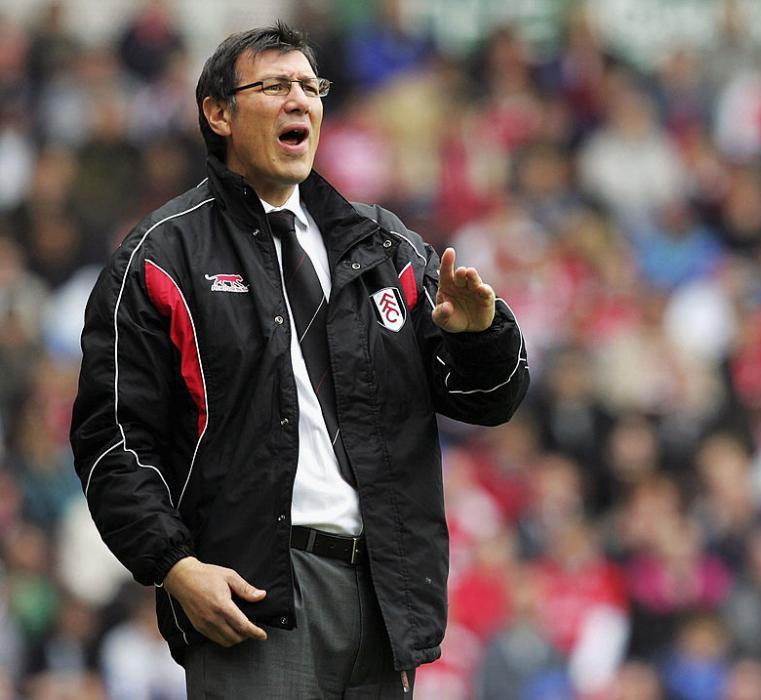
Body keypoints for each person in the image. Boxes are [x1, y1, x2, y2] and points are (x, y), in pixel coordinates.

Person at [69, 21, 529, 698]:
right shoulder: (162, 257)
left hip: (382, 597)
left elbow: (491, 400)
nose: (300, 101)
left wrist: (481, 333)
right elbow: (111, 439)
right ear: (218, 113)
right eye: (276, 85)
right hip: (253, 597)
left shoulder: (386, 247)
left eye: (311, 87)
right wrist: (174, 566)